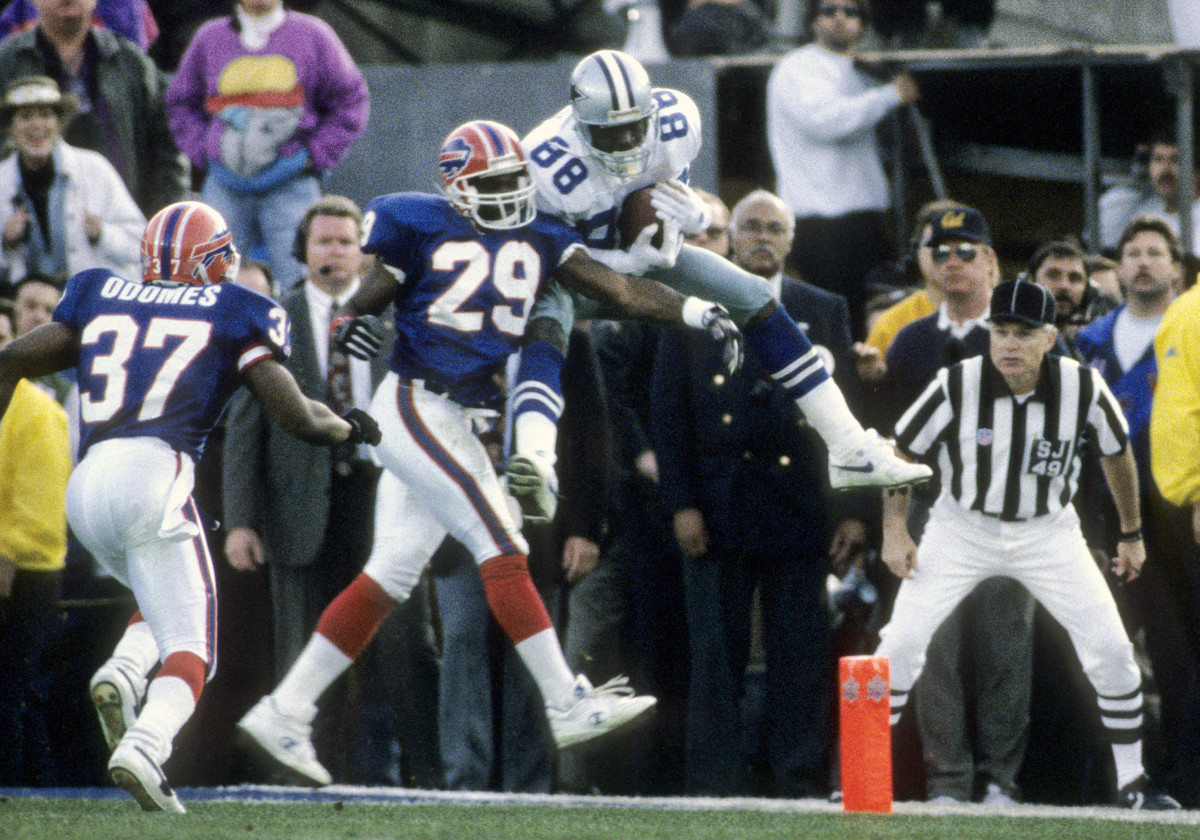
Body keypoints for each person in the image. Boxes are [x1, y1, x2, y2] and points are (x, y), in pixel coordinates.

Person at [233, 118, 743, 787]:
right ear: (456, 187)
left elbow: (620, 291)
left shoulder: (542, 234)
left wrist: (697, 310)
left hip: (454, 414)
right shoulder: (414, 223)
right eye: (493, 182)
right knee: (502, 541)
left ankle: (284, 709)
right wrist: (356, 316)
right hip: (418, 404)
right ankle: (567, 702)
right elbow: (367, 295)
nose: (509, 193)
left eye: (515, 179)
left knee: (389, 576)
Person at [0, 199, 379, 812]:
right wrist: (350, 429)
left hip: (88, 484)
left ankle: (123, 671)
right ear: (211, 262)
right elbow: (297, 416)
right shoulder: (234, 308)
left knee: (159, 591)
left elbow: (11, 359)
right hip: (155, 474)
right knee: (195, 644)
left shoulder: (102, 291)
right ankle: (147, 743)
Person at [512, 47, 930, 529]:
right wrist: (632, 262)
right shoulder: (545, 163)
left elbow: (664, 231)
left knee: (756, 298)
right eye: (612, 131)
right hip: (576, 268)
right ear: (582, 124)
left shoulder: (674, 119)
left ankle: (847, 446)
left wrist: (686, 215)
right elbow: (585, 271)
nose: (628, 141)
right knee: (548, 322)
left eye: (636, 126)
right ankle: (536, 458)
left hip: (643, 255)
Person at [878, 278, 1181, 811]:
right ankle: (863, 772)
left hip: (1047, 531)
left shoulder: (1082, 386)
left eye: (1023, 333)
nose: (1009, 345)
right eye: (1000, 331)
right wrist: (895, 530)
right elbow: (901, 453)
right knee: (899, 645)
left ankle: (1133, 783)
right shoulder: (957, 383)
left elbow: (1117, 455)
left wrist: (1131, 533)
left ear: (1049, 338)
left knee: (1111, 652)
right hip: (961, 526)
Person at [652, 189, 867, 796]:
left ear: (791, 240)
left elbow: (844, 410)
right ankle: (716, 783)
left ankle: (796, 777)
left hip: (800, 504)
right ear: (731, 237)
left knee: (799, 655)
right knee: (715, 658)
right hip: (718, 503)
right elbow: (669, 412)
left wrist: (853, 511)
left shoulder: (822, 308)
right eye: (751, 227)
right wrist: (682, 503)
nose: (762, 237)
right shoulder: (692, 305)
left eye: (775, 227)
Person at [220, 195, 437, 783]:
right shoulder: (274, 319)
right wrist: (241, 519)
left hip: (382, 493)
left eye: (347, 242)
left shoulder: (397, 318)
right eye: (324, 242)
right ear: (304, 251)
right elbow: (246, 426)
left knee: (402, 646)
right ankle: (299, 781)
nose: (336, 253)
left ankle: (410, 779)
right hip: (300, 505)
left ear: (365, 254)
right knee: (302, 647)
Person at [876, 206, 1037, 806]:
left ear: (992, 261)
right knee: (931, 643)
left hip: (1008, 506)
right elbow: (889, 442)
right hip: (928, 504)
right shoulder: (912, 340)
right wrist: (891, 528)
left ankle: (1001, 778)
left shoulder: (1026, 331)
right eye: (941, 253)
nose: (953, 263)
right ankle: (948, 779)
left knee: (1006, 644)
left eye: (967, 251)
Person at [1077, 216, 1200, 806]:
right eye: (1133, 252)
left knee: (1179, 651)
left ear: (1178, 266)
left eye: (1157, 252)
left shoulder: (1190, 324)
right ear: (1118, 265)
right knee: (1105, 646)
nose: (1144, 261)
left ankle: (1180, 777)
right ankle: (1107, 781)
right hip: (1108, 512)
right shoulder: (1092, 339)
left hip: (1177, 508)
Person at [166, 0, 370, 294]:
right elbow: (180, 102)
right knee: (205, 279)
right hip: (225, 186)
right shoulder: (209, 38)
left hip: (292, 183)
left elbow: (352, 100)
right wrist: (207, 153)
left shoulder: (313, 34)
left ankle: (308, 340)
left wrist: (313, 157)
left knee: (306, 280)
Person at [766, 0, 919, 337]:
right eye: (829, 9)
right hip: (822, 223)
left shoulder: (862, 71)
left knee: (876, 318)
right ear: (812, 19)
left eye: (850, 11)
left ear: (863, 22)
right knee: (840, 322)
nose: (839, 17)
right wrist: (891, 95)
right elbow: (825, 122)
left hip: (862, 222)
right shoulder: (797, 67)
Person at [0, 0, 188, 218]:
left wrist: (162, 227)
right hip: (28, 236)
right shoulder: (7, 65)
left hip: (122, 230)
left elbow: (168, 158)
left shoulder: (131, 63)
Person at [0, 301, 69, 786]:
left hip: (25, 576)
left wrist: (7, 557)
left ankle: (25, 794)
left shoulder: (38, 410)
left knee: (11, 695)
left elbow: (40, 514)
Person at [0, 75, 143, 288]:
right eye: (25, 116)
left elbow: (141, 245)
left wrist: (103, 234)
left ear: (59, 123)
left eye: (45, 115)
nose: (36, 125)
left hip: (93, 300)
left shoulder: (95, 168)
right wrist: (5, 242)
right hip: (29, 311)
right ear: (10, 127)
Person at [1098, 127, 1198, 256]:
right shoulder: (1143, 208)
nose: (1165, 169)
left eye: (1175, 160)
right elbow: (1102, 239)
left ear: (1196, 171)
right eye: (1158, 159)